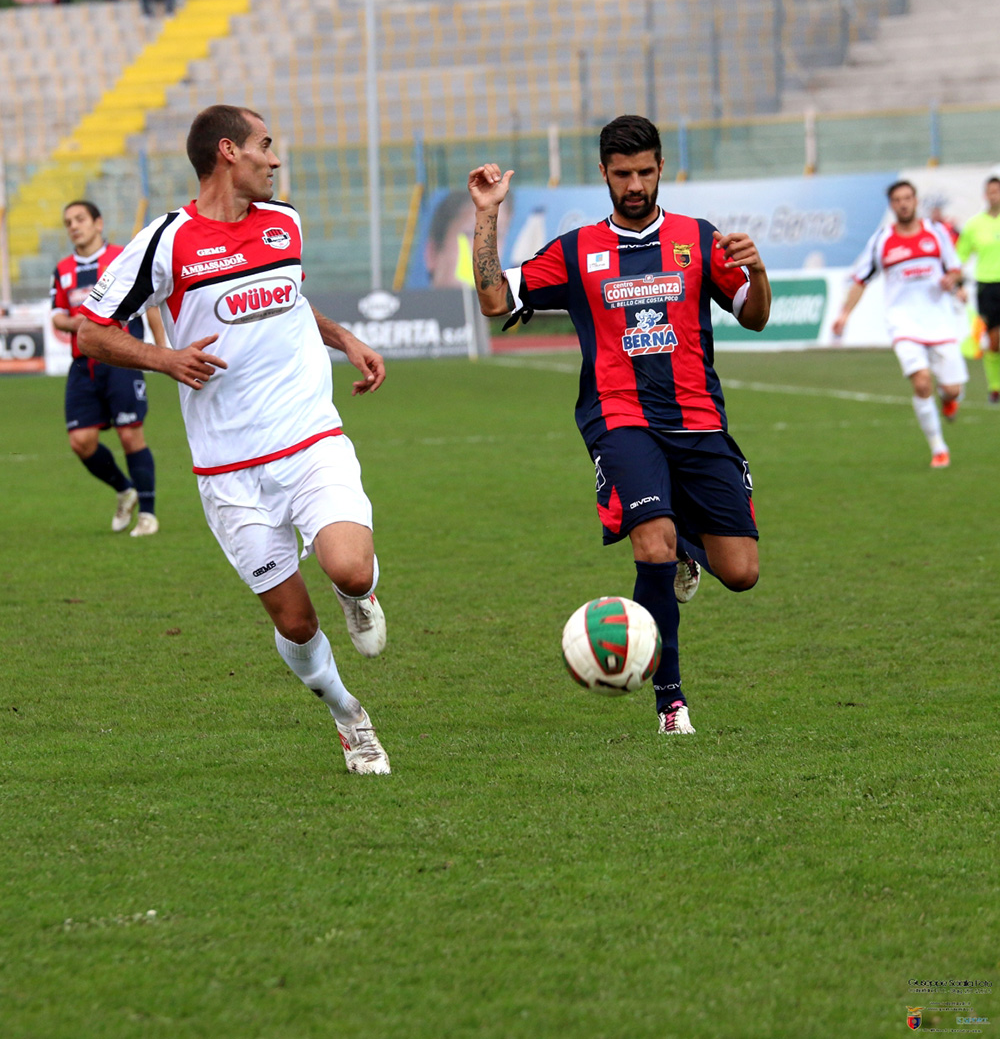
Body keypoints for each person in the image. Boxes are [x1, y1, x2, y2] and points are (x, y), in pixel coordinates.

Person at [77, 105, 391, 776]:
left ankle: (357, 595)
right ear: (228, 153)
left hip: (310, 439)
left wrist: (344, 337)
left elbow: (289, 298)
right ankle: (346, 713)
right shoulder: (167, 241)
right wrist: (167, 360)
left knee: (350, 566)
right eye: (264, 146)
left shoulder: (286, 222)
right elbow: (93, 330)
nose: (274, 160)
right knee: (297, 624)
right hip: (230, 470)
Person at [468, 114, 770, 736]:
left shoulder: (697, 238)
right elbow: (496, 299)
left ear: (662, 170)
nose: (635, 184)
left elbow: (755, 315)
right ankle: (671, 702)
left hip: (698, 421)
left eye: (645, 172)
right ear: (603, 173)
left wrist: (758, 271)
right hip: (620, 418)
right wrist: (487, 215)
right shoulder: (577, 250)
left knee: (740, 573)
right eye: (623, 173)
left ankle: (689, 550)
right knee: (650, 540)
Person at [832, 180, 967, 468]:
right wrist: (844, 314)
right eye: (897, 199)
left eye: (908, 198)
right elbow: (861, 280)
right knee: (921, 383)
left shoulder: (937, 232)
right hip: (903, 323)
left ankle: (949, 399)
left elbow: (955, 268)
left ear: (916, 201)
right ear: (892, 205)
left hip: (939, 320)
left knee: (953, 389)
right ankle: (938, 447)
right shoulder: (882, 240)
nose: (903, 203)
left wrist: (953, 281)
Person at [51, 200, 166, 536]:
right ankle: (125, 489)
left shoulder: (123, 256)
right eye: (68, 221)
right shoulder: (63, 269)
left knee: (130, 435)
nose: (74, 225)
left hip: (121, 360)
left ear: (98, 223)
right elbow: (57, 314)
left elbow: (152, 306)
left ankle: (147, 514)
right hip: (83, 363)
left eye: (80, 219)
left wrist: (162, 352)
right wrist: (81, 324)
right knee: (80, 441)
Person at [956, 176, 1000, 404]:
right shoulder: (974, 225)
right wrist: (958, 284)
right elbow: (959, 257)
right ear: (985, 195)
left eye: (998, 191)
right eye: (991, 191)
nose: (994, 195)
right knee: (994, 342)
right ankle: (995, 387)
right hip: (988, 287)